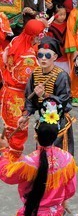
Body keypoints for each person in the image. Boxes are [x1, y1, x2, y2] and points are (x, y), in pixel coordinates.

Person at [0, 98, 78, 216]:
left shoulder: (29, 162)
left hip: (30, 214)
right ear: (57, 134)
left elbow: (6, 174)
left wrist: (4, 151)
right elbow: (70, 190)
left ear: (36, 135)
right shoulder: (68, 159)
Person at [0, 19, 46, 161]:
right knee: (19, 128)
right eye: (40, 33)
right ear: (33, 35)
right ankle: (12, 159)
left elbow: (3, 59)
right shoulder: (29, 57)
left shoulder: (16, 40)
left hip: (7, 91)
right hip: (18, 96)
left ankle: (6, 153)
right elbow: (27, 81)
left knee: (10, 126)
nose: (41, 36)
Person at [20, 36, 75, 155]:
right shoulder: (35, 73)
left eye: (48, 56)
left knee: (58, 152)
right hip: (41, 119)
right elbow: (29, 96)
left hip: (58, 120)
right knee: (42, 152)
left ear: (55, 57)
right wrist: (26, 115)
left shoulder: (61, 76)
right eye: (40, 55)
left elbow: (65, 100)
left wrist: (45, 95)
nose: (43, 59)